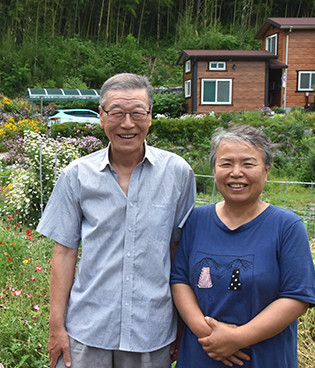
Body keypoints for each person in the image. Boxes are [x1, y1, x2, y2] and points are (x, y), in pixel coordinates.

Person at [36, 73, 196, 368]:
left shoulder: (178, 174)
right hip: (87, 329)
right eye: (117, 113)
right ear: (101, 116)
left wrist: (182, 323)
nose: (127, 124)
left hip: (151, 329)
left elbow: (178, 252)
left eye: (137, 113)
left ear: (150, 116)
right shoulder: (77, 175)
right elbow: (64, 252)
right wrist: (56, 326)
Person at [170, 124, 315, 368]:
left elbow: (296, 297)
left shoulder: (287, 226)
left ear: (266, 171)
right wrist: (210, 336)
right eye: (226, 164)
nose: (236, 173)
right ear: (214, 169)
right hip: (202, 355)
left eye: (248, 164)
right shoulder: (196, 221)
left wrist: (237, 338)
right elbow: (180, 280)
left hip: (263, 358)